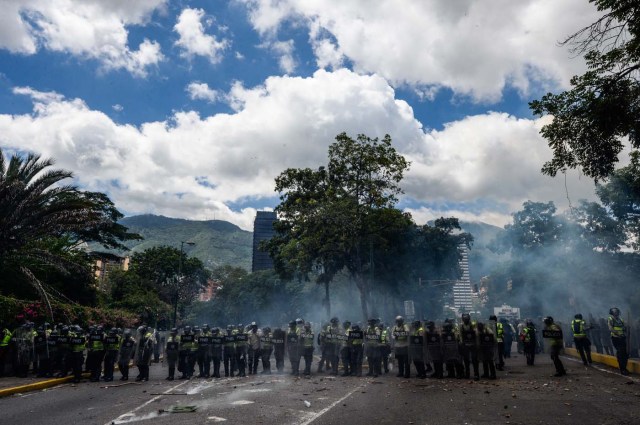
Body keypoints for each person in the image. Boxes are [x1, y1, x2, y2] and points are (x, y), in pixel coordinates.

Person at [608, 307, 629, 375]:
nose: (616, 312)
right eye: (614, 311)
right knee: (620, 353)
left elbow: (625, 326)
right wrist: (617, 333)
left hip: (622, 338)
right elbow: (610, 328)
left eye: (617, 311)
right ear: (612, 313)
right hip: (616, 338)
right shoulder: (610, 319)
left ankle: (624, 368)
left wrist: (626, 329)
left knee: (625, 354)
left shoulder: (621, 319)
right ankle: (622, 369)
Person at [458, 313, 479, 380]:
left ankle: (476, 374)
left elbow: (476, 334)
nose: (465, 320)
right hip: (465, 345)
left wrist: (477, 343)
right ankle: (467, 374)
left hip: (473, 345)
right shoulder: (461, 326)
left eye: (466, 319)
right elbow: (460, 335)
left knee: (474, 360)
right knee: (466, 360)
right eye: (464, 319)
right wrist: (461, 342)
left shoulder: (473, 325)